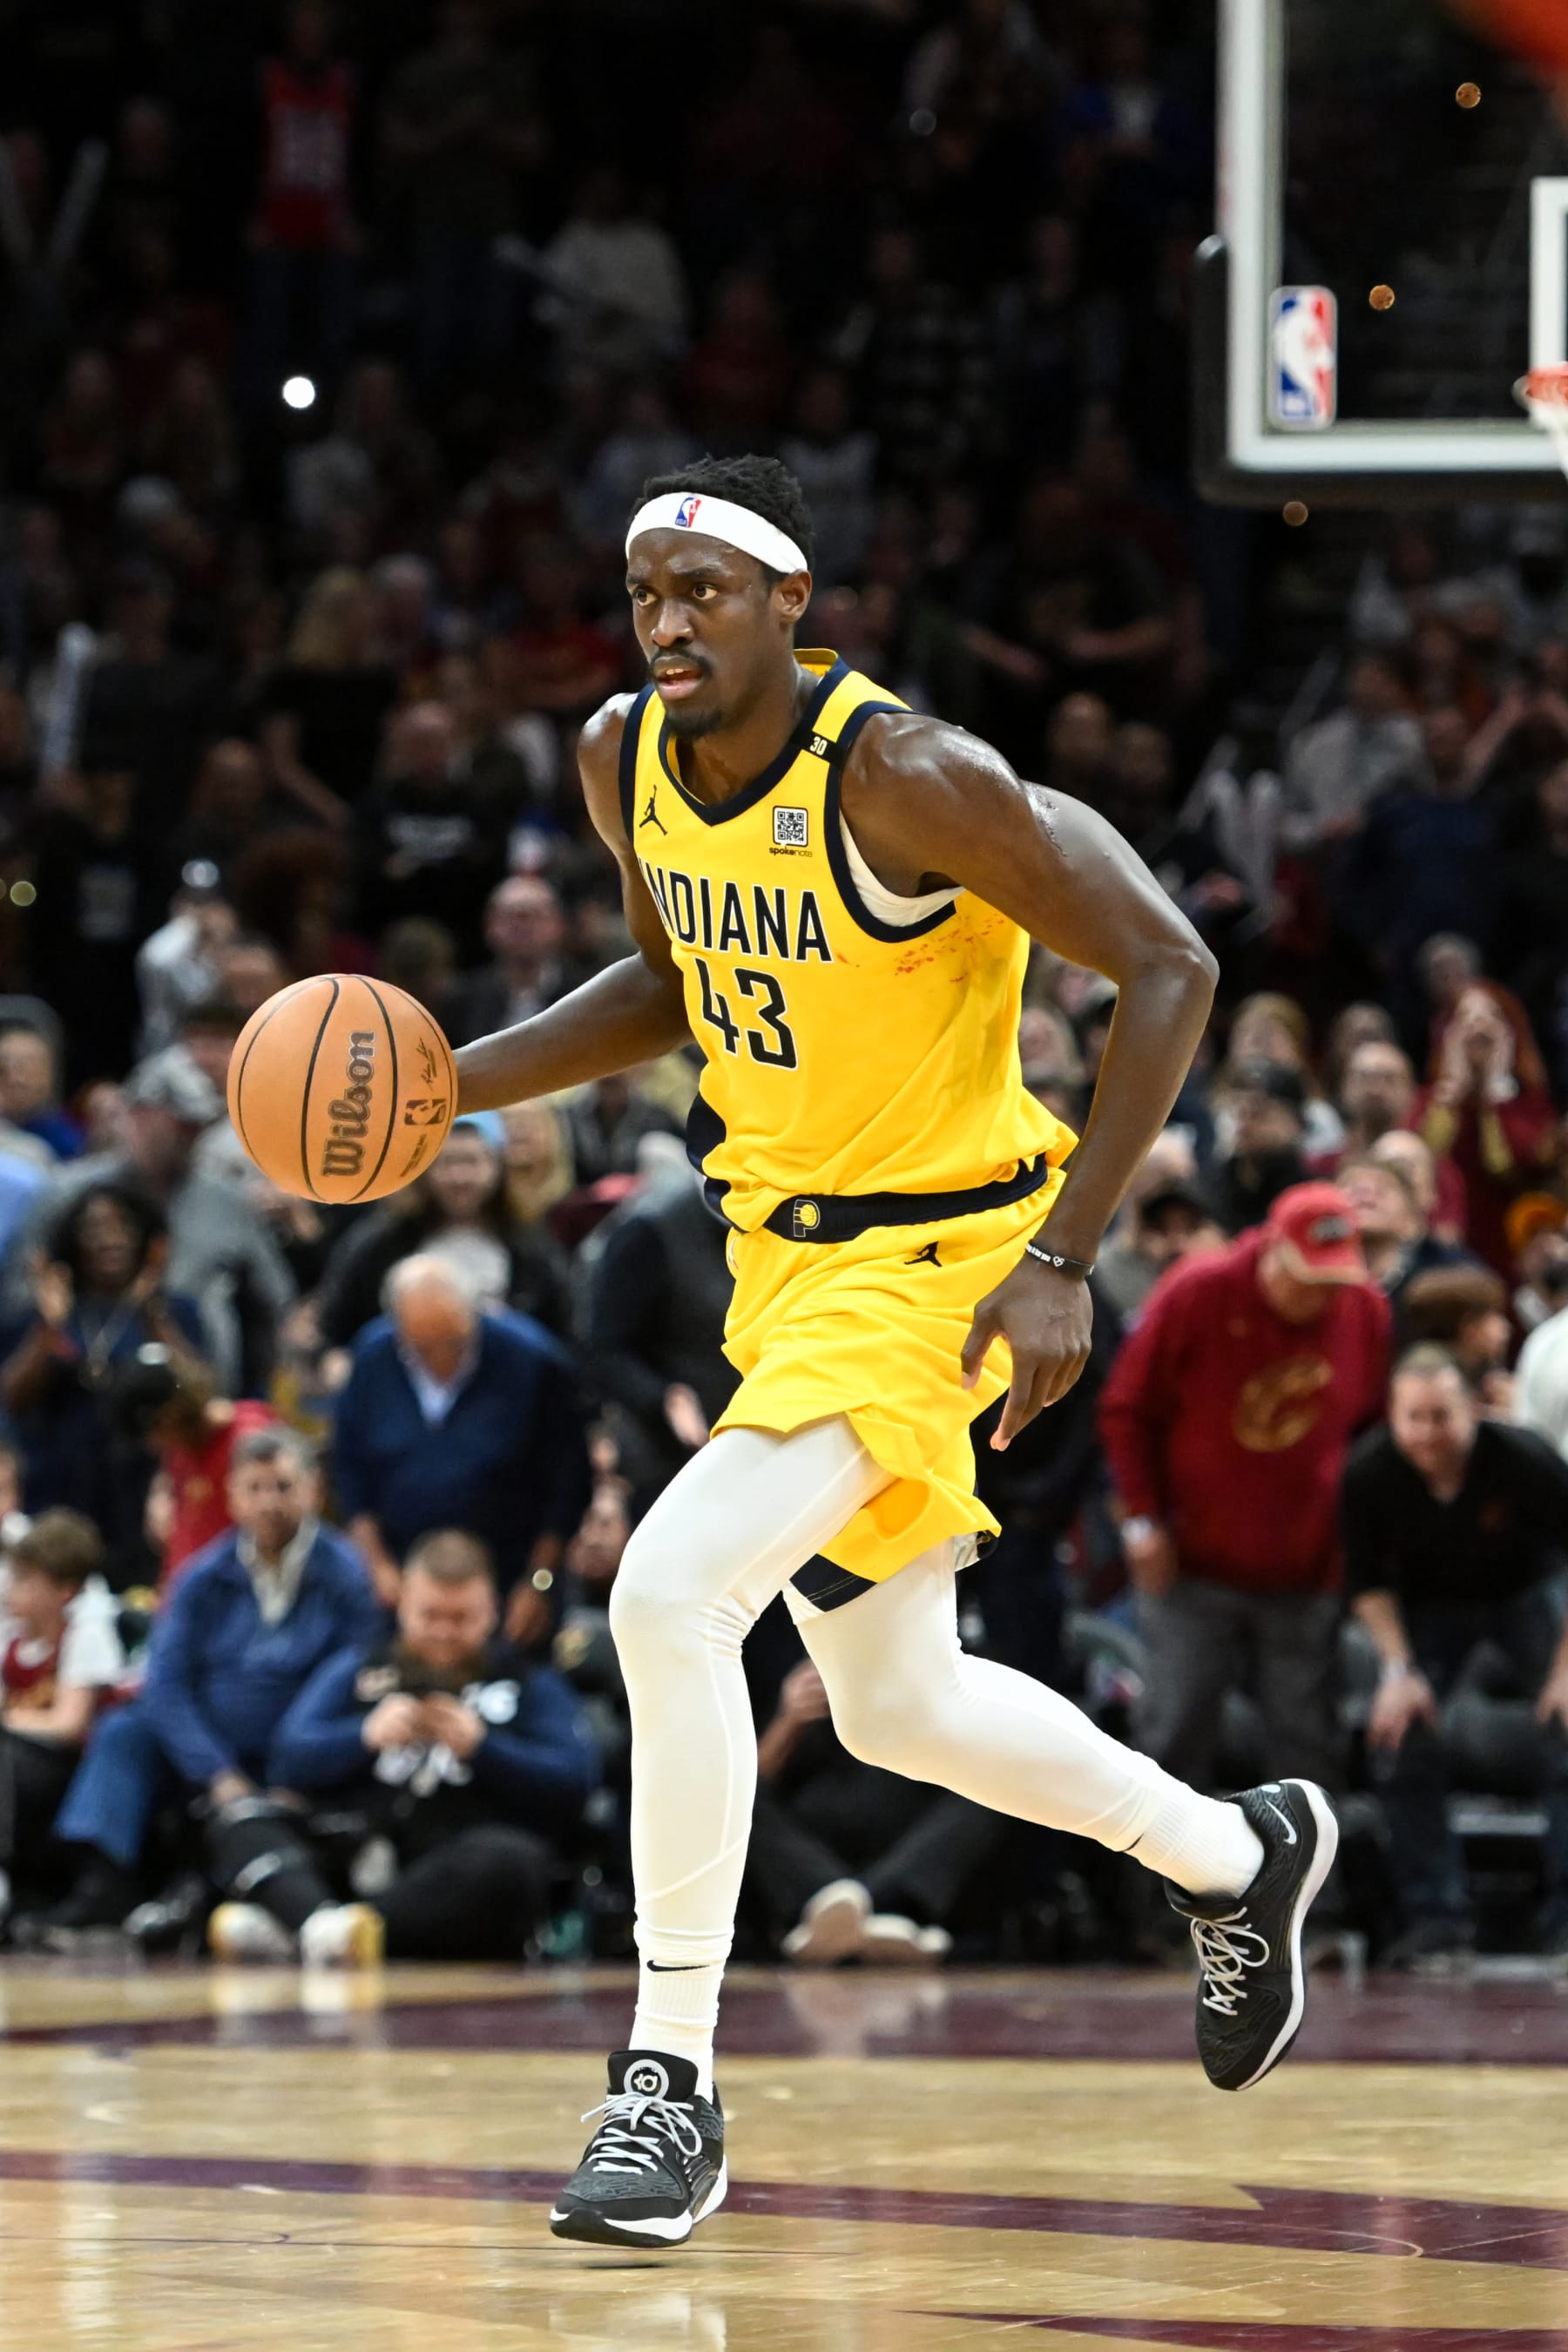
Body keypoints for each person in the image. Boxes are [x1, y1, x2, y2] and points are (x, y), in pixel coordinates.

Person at [452, 454, 1341, 2245]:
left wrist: (1066, 1260)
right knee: (901, 1706)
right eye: (646, 590)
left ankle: (667, 2086)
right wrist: (448, 1091)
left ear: (797, 603)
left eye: (707, 587)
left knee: (668, 1595)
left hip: (946, 1260)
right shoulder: (623, 759)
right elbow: (672, 987)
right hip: (782, 1262)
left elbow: (1169, 964)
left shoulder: (913, 777)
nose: (671, 619)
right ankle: (1244, 1857)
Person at [1098, 1183, 1390, 1797]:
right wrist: (1142, 1522)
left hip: (1304, 1571)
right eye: (1307, 1277)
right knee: (1174, 1736)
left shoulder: (1363, 1309)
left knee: (1309, 1744)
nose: (1319, 1295)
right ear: (1271, 1250)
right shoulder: (1197, 1291)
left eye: (1332, 1280)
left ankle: (1314, 1894)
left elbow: (1370, 1435)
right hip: (1189, 1565)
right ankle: (1159, 1894)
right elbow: (1126, 1410)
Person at [32, 1429, 378, 1940]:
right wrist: (218, 1774)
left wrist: (294, 1760)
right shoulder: (203, 1575)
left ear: (313, 1489)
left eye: (283, 1487)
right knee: (125, 1730)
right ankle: (102, 1885)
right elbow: (165, 1686)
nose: (270, 1503)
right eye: (255, 1488)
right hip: (209, 1752)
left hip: (298, 1748)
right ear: (232, 1496)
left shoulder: (345, 1574)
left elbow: (354, 1672)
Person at [208, 1528, 599, 1965]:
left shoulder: (528, 1683)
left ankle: (315, 1930)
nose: (444, 1633)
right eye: (429, 1615)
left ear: (491, 1611)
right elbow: (287, 1758)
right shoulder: (360, 1668)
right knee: (242, 1818)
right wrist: (362, 1736)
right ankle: (327, 1926)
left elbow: (575, 1784)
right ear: (403, 1607)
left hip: (452, 1869)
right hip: (354, 1849)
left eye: (461, 1618)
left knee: (513, 1862)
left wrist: (484, 1749)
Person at [1345, 1347, 1568, 1966]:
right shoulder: (1368, 1473)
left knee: (1567, 1726)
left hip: (1529, 1593)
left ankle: (1563, 1924)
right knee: (1399, 1735)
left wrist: (1565, 1671)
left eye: (1440, 1416)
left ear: (1472, 1410)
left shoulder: (1524, 1460)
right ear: (1392, 1416)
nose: (1427, 1434)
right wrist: (1397, 1671)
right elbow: (1366, 1586)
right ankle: (1436, 1922)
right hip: (1429, 1607)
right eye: (1413, 1418)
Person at [330, 1254, 589, 1629]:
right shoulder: (372, 1358)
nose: (439, 1358)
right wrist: (376, 1565)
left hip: (512, 1573)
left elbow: (568, 1485)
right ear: (398, 1328)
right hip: (401, 1575)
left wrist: (540, 1582)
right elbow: (350, 1469)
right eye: (422, 1346)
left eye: (451, 1343)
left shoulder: (534, 1361)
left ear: (476, 1314)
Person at [0, 1510, 123, 1924]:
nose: (11, 1590)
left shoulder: (86, 1634)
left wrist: (8, 1722)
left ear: (64, 1592)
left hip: (76, 1775)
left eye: (25, 1579)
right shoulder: (12, 1641)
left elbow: (69, 1725)